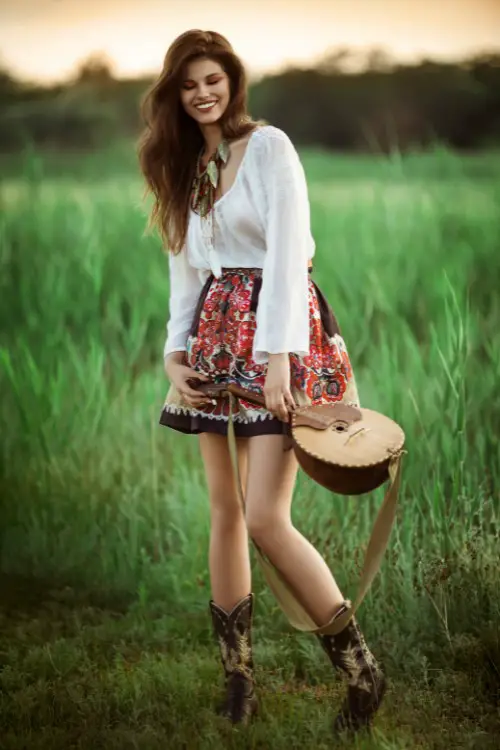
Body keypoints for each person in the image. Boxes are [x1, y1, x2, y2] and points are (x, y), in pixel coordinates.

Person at [138, 29, 386, 736]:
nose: (202, 93)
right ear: (174, 96)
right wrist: (171, 352)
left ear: (232, 80)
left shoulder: (269, 147)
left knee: (266, 517)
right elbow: (185, 268)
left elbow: (286, 256)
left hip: (280, 337)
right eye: (187, 85)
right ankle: (239, 681)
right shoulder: (189, 165)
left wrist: (280, 355)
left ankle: (363, 673)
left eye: (212, 79)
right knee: (224, 511)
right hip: (214, 344)